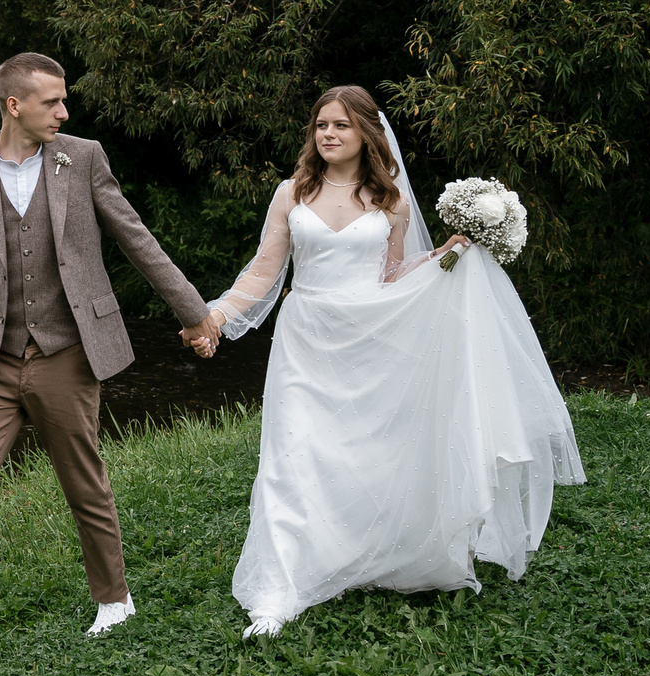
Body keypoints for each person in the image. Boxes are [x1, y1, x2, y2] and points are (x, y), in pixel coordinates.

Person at [190, 85, 584, 638]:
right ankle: (278, 591)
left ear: (366, 135)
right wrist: (216, 316)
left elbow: (391, 275)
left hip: (369, 340)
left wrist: (445, 257)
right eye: (321, 125)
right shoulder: (291, 192)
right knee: (291, 456)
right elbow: (263, 270)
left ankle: (364, 553)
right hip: (305, 338)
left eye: (341, 126)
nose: (328, 133)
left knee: (364, 455)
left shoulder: (391, 200)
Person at [0, 53, 214, 672]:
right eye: (52, 102)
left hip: (66, 353)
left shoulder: (84, 158)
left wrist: (193, 312)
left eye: (64, 101)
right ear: (14, 105)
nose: (64, 112)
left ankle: (114, 600)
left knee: (83, 481)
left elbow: (136, 238)